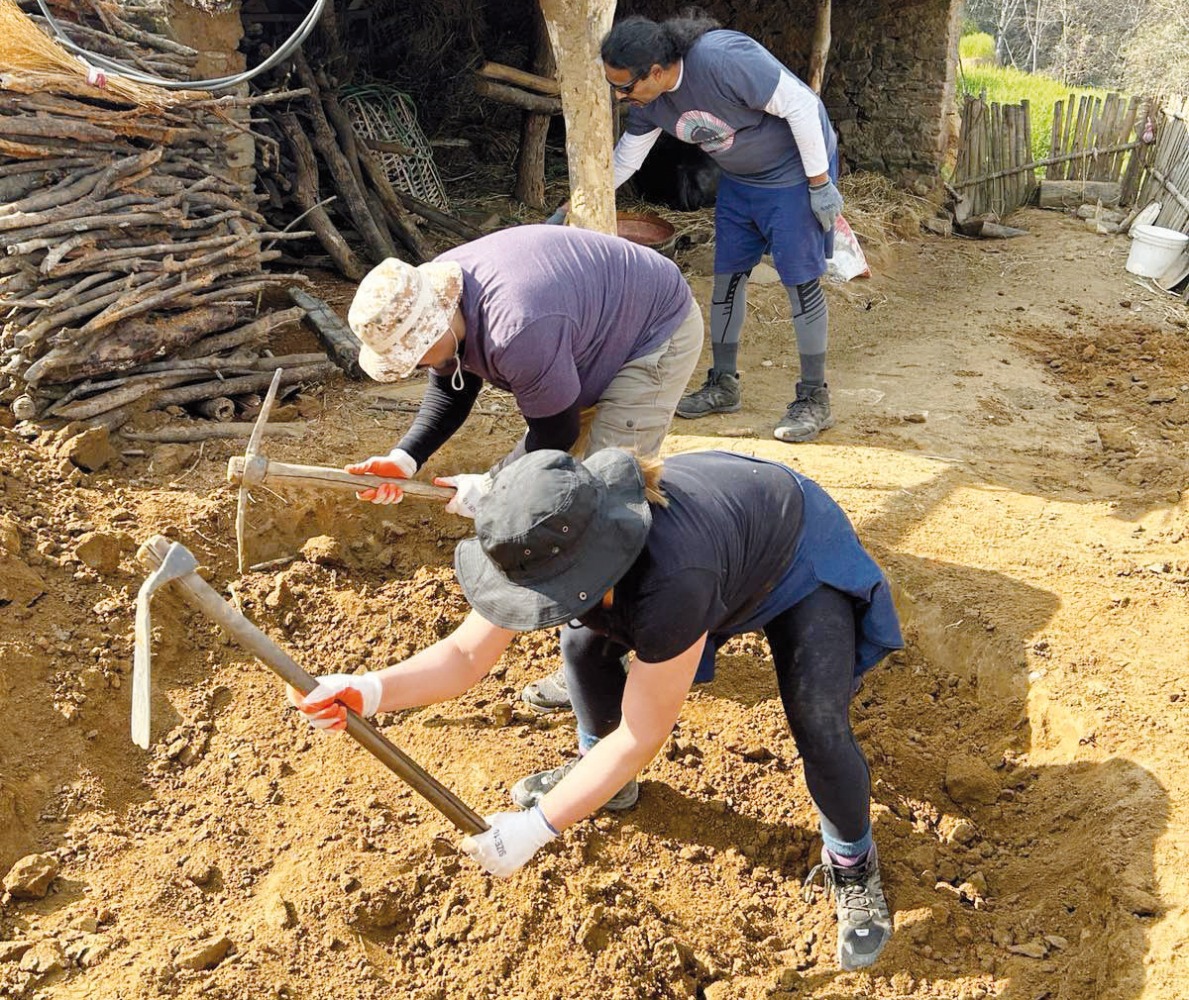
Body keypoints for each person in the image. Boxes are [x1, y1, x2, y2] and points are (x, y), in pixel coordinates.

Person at [289, 447, 903, 971]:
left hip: (790, 550)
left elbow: (642, 732)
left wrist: (536, 827)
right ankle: (606, 785)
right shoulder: (558, 534)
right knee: (583, 641)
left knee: (818, 722)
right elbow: (464, 656)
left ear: (588, 566)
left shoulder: (673, 583)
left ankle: (852, 860)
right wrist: (365, 688)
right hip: (712, 536)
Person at [344, 224, 703, 713]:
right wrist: (405, 457)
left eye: (413, 353)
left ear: (440, 322)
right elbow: (454, 378)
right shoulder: (440, 293)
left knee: (607, 493)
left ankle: (625, 648)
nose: (411, 367)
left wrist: (492, 486)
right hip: (583, 336)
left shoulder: (517, 328)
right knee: (573, 487)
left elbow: (553, 438)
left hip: (650, 333)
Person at [596, 13, 844, 443]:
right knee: (727, 280)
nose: (619, 96)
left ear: (656, 71)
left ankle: (813, 398)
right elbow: (627, 159)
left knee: (800, 283)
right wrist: (579, 202)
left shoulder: (722, 59)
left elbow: (802, 105)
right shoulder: (649, 101)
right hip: (740, 181)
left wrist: (819, 183)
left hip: (792, 177)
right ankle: (723, 384)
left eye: (624, 87)